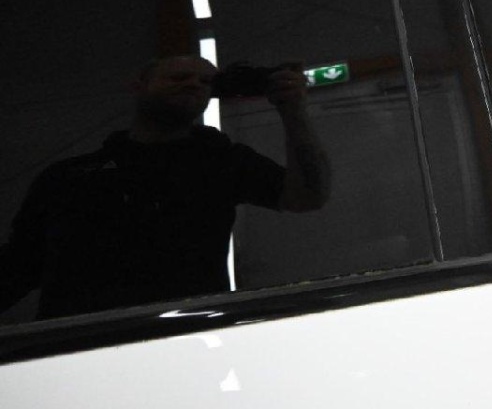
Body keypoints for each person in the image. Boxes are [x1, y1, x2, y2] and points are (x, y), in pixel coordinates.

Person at [0, 55, 329, 320]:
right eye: (178, 77)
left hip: (184, 338)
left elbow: (307, 196)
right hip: (76, 342)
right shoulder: (69, 177)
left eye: (206, 82)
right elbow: (22, 264)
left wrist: (293, 111)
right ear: (138, 85)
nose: (193, 85)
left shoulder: (221, 161)